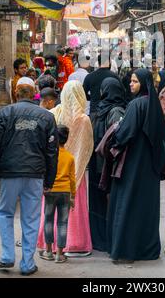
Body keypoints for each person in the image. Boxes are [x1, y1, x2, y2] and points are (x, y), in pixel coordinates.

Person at [0, 77, 58, 276]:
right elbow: (52, 152)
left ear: (16, 93)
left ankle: (8, 255)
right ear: (34, 93)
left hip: (9, 173)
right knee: (31, 218)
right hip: (35, 174)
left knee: (5, 213)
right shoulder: (46, 116)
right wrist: (49, 180)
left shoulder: (5, 113)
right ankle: (27, 263)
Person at [107, 69, 165, 262]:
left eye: (135, 81)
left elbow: (125, 134)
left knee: (127, 204)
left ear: (143, 83)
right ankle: (147, 248)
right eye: (131, 81)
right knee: (146, 207)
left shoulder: (136, 105)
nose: (131, 84)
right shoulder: (153, 104)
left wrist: (115, 131)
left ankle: (125, 250)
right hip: (149, 166)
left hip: (132, 164)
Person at [37, 80, 93, 256]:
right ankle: (74, 243)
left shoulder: (55, 112)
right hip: (74, 170)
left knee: (49, 212)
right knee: (72, 207)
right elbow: (84, 149)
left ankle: (48, 245)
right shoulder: (83, 119)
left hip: (54, 170)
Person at [89, 78, 126, 252]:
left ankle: (103, 239)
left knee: (103, 201)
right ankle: (105, 239)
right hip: (106, 164)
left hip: (101, 164)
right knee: (105, 201)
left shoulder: (103, 110)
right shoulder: (117, 110)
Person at [40, 125, 76, 264]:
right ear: (66, 140)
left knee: (48, 220)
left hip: (51, 191)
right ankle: (60, 254)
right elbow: (72, 179)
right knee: (62, 223)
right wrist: (73, 195)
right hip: (65, 192)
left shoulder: (48, 155)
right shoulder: (70, 157)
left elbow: (44, 172)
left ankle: (48, 251)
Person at [83, 54, 119, 119]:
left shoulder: (90, 76)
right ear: (108, 62)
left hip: (95, 110)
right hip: (110, 111)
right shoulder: (114, 76)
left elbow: (83, 93)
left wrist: (92, 97)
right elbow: (120, 92)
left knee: (94, 128)